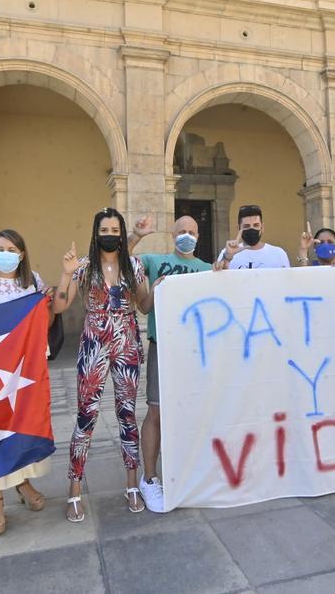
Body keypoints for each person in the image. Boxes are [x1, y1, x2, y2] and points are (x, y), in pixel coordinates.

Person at [0, 228, 73, 537]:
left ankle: (22, 483)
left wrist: (55, 289)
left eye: (11, 249)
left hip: (23, 372)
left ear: (21, 254)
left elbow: (46, 321)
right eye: (0, 247)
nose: (5, 253)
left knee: (20, 428)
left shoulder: (31, 280)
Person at [59, 208, 151, 522]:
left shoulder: (134, 265)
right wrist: (66, 273)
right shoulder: (84, 267)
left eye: (115, 230)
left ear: (120, 234)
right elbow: (60, 303)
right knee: (86, 416)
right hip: (93, 346)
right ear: (96, 233)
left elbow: (144, 305)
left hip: (127, 343)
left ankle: (131, 485)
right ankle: (74, 490)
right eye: (105, 230)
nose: (110, 235)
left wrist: (160, 286)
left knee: (127, 414)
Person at [126, 214, 212, 512]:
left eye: (191, 231)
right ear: (172, 234)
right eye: (181, 231)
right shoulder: (154, 261)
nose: (186, 235)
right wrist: (136, 236)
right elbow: (119, 261)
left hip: (193, 351)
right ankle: (149, 479)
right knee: (157, 412)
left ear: (198, 235)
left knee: (191, 412)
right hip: (162, 346)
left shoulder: (206, 269)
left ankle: (188, 474)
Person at [214, 204, 290, 270]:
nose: (251, 229)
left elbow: (287, 282)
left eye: (256, 225)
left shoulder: (278, 254)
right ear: (239, 228)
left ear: (262, 227)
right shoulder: (227, 253)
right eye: (246, 226)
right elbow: (220, 281)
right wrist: (227, 258)